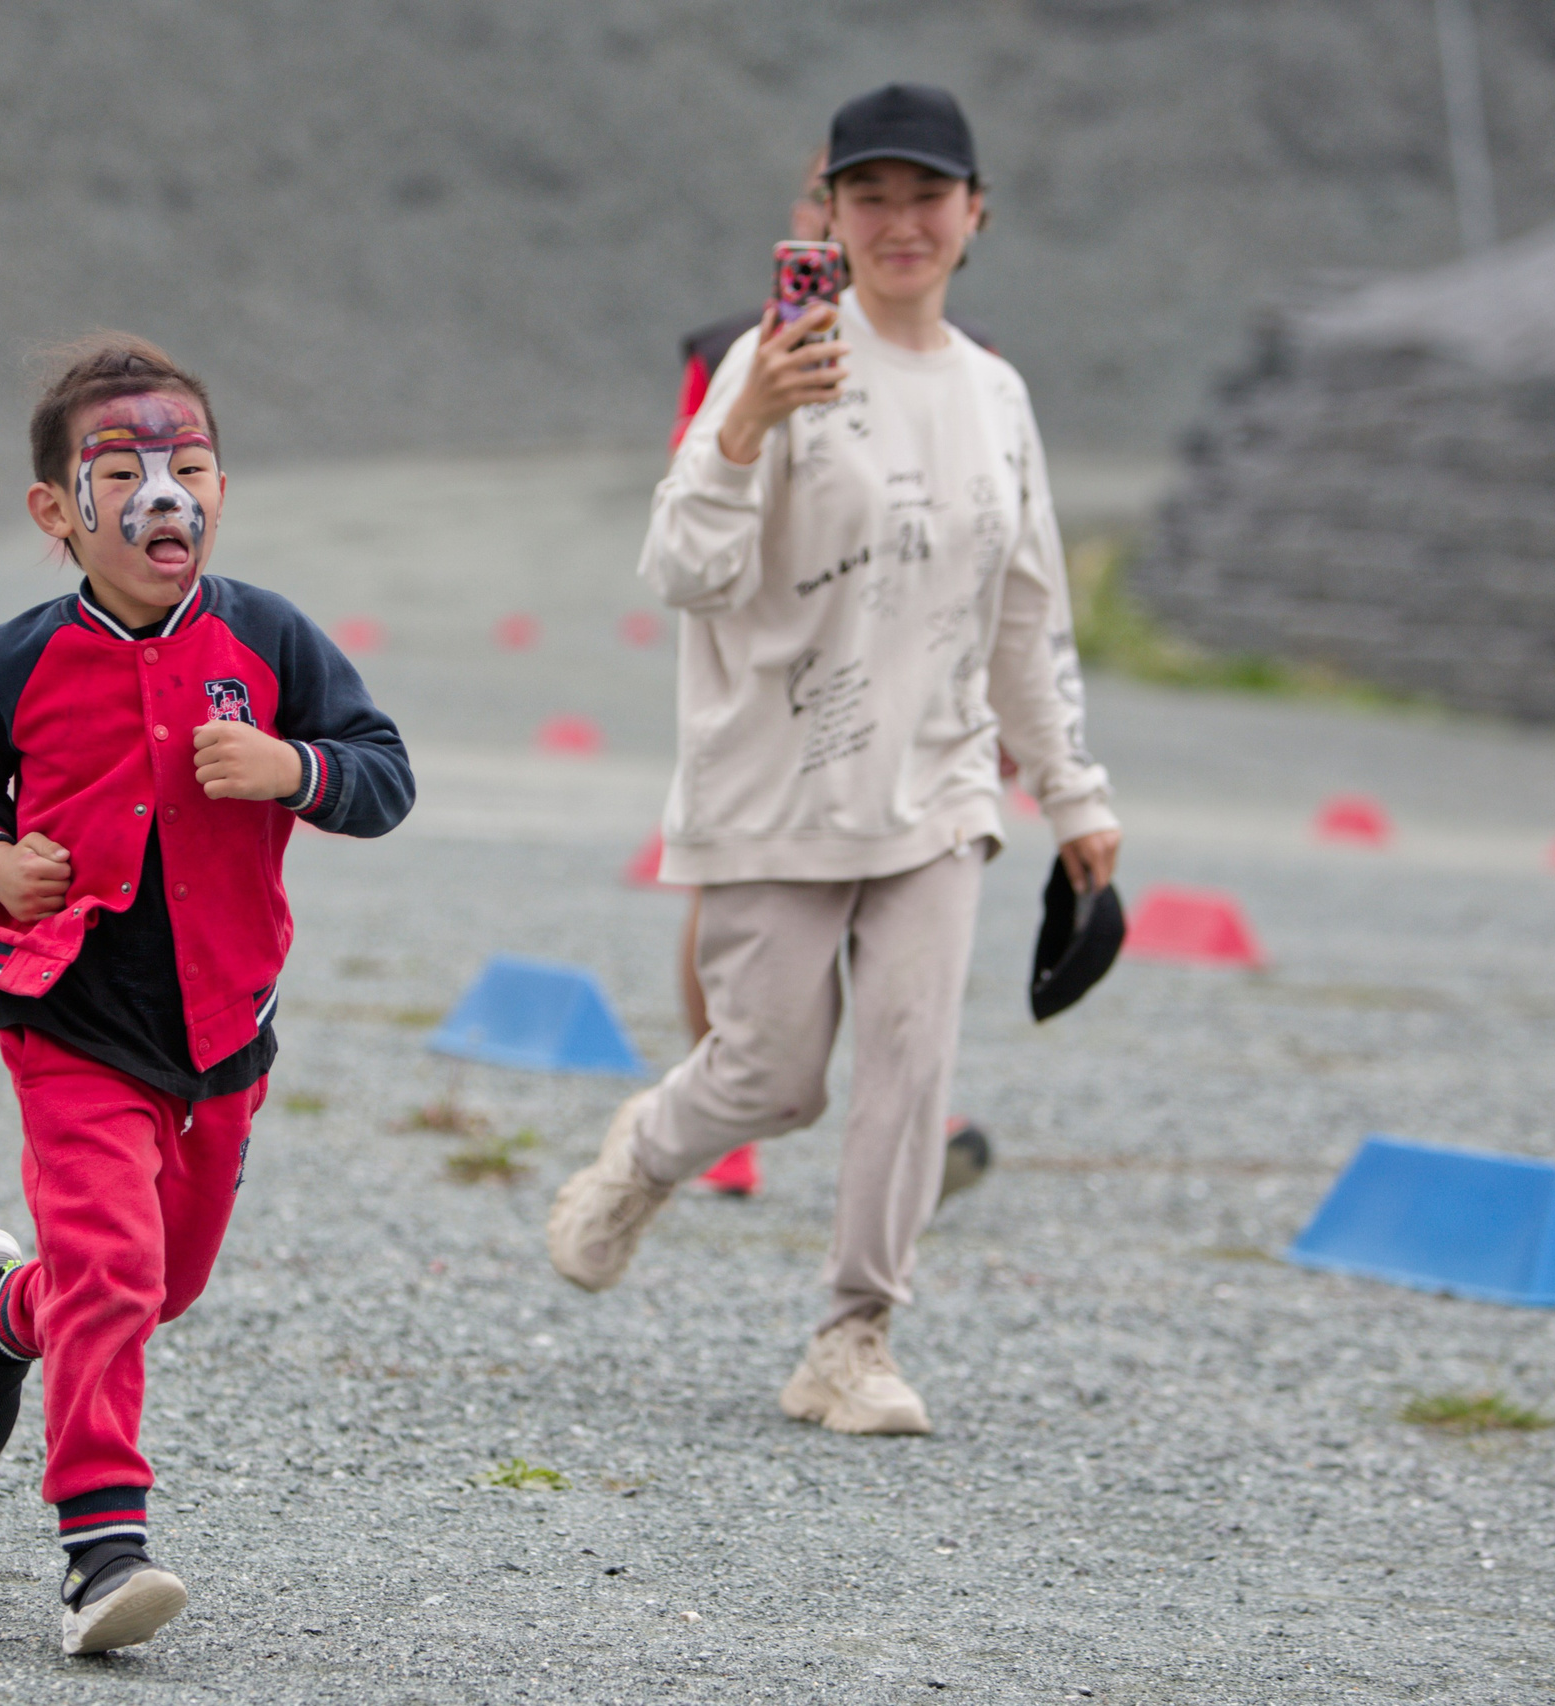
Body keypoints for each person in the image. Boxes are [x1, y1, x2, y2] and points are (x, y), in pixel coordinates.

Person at [552, 85, 1121, 1435]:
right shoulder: (778, 360)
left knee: (911, 1065)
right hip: (781, 781)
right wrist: (747, 421)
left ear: (976, 215)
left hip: (940, 785)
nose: (900, 222)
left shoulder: (995, 394)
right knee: (773, 1075)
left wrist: (1073, 793)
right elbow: (681, 568)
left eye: (928, 197)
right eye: (871, 196)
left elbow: (1026, 609)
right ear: (833, 216)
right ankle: (644, 1153)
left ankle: (852, 1337)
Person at [0, 337, 414, 1655]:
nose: (162, 499)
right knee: (116, 1266)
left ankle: (2, 1313)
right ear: (56, 510)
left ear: (222, 491)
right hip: (69, 1012)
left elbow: (385, 774)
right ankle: (103, 1552)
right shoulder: (16, 660)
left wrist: (295, 768)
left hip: (222, 1027)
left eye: (188, 468)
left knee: (156, 1283)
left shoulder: (271, 640)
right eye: (123, 474)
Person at [668, 146, 997, 1206]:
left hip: (905, 681)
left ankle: (909, 1120)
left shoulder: (970, 368)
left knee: (903, 893)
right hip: (772, 678)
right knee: (744, 905)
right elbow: (691, 509)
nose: (872, 222)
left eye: (912, 199)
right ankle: (727, 1117)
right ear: (809, 216)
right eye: (843, 197)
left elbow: (979, 541)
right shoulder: (732, 350)